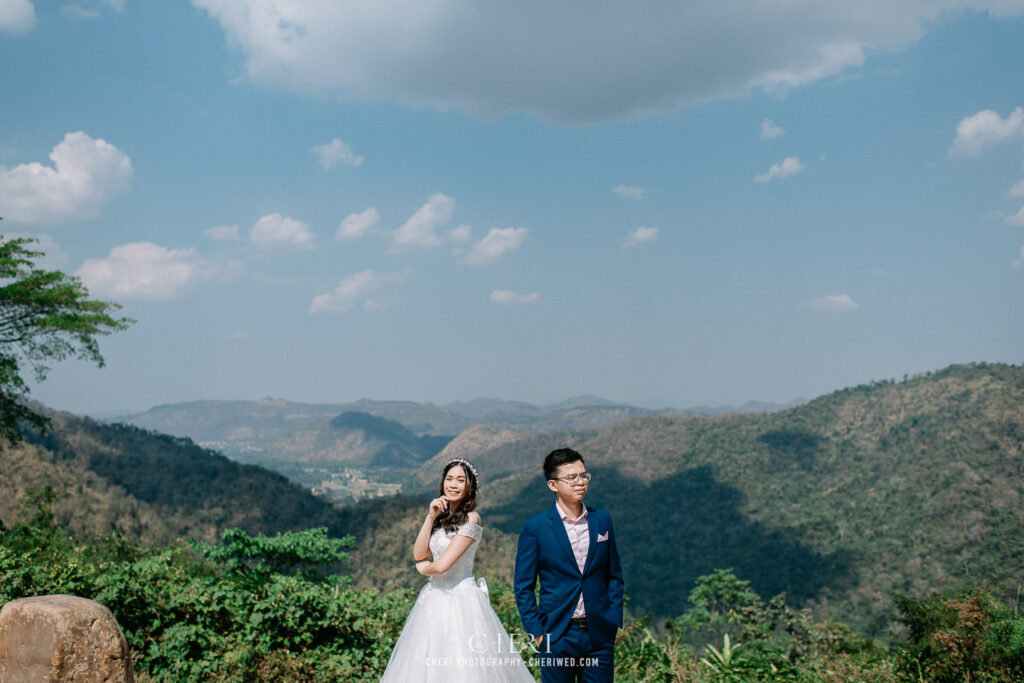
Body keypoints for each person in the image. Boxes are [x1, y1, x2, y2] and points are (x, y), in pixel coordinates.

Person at [380, 458, 535, 683]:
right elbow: (418, 553)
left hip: (461, 600)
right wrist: (431, 516)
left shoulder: (472, 519)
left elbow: (442, 565)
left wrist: (424, 569)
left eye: (460, 480)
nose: (453, 484)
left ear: (469, 487)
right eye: (449, 479)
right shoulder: (440, 518)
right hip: (434, 600)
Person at [514, 448, 624, 683]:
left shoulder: (602, 520)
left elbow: (613, 574)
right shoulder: (536, 528)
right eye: (571, 478)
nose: (580, 482)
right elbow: (523, 586)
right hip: (556, 634)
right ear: (553, 485)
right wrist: (537, 633)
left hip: (598, 634)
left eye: (583, 475)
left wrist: (613, 619)